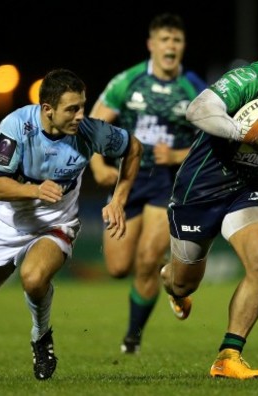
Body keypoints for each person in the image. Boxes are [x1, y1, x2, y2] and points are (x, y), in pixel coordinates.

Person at [0, 68, 143, 382]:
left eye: (83, 106)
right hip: (9, 223)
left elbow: (134, 149)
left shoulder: (90, 132)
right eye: (72, 109)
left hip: (57, 222)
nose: (80, 115)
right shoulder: (17, 126)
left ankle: (41, 336)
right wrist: (34, 189)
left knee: (33, 278)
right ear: (48, 110)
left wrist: (118, 199)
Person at [159, 25, 258, 379]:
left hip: (243, 187)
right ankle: (170, 282)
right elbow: (197, 109)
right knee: (183, 282)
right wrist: (243, 132)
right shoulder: (250, 77)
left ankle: (228, 355)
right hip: (198, 190)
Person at [88, 13, 206, 354]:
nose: (171, 46)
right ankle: (172, 278)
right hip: (127, 179)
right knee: (117, 268)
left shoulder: (194, 87)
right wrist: (97, 166)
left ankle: (132, 338)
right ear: (151, 45)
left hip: (165, 184)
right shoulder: (128, 81)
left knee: (147, 260)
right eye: (165, 40)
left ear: (183, 47)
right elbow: (92, 125)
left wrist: (177, 155)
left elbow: (215, 140)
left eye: (177, 40)